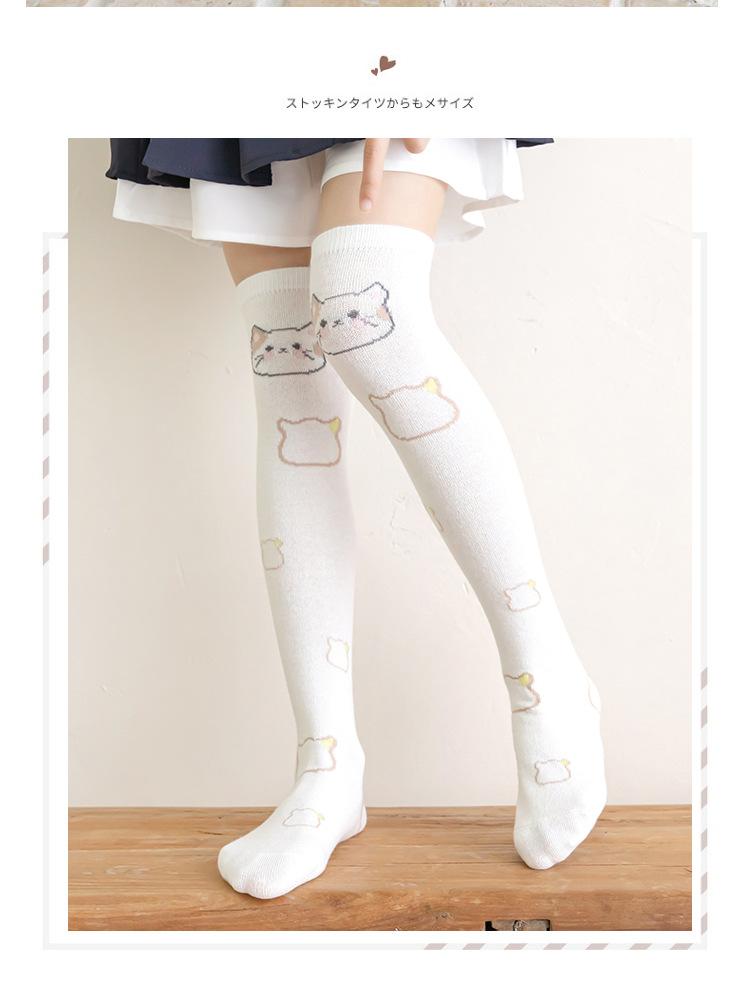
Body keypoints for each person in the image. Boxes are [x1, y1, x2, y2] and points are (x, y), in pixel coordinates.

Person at [107, 137, 605, 900]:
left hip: (384, 57)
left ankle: (549, 682)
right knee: (286, 361)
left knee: (370, 310)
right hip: (241, 55)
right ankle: (326, 764)